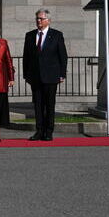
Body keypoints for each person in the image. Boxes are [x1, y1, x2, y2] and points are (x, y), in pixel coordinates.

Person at [23, 9, 67, 141]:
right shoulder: (30, 35)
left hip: (51, 76)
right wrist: (26, 74)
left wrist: (62, 74)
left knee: (49, 104)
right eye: (37, 18)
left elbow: (63, 56)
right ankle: (39, 131)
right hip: (35, 77)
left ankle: (49, 131)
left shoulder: (56, 35)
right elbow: (26, 56)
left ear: (48, 20)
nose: (38, 21)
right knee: (38, 105)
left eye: (41, 19)